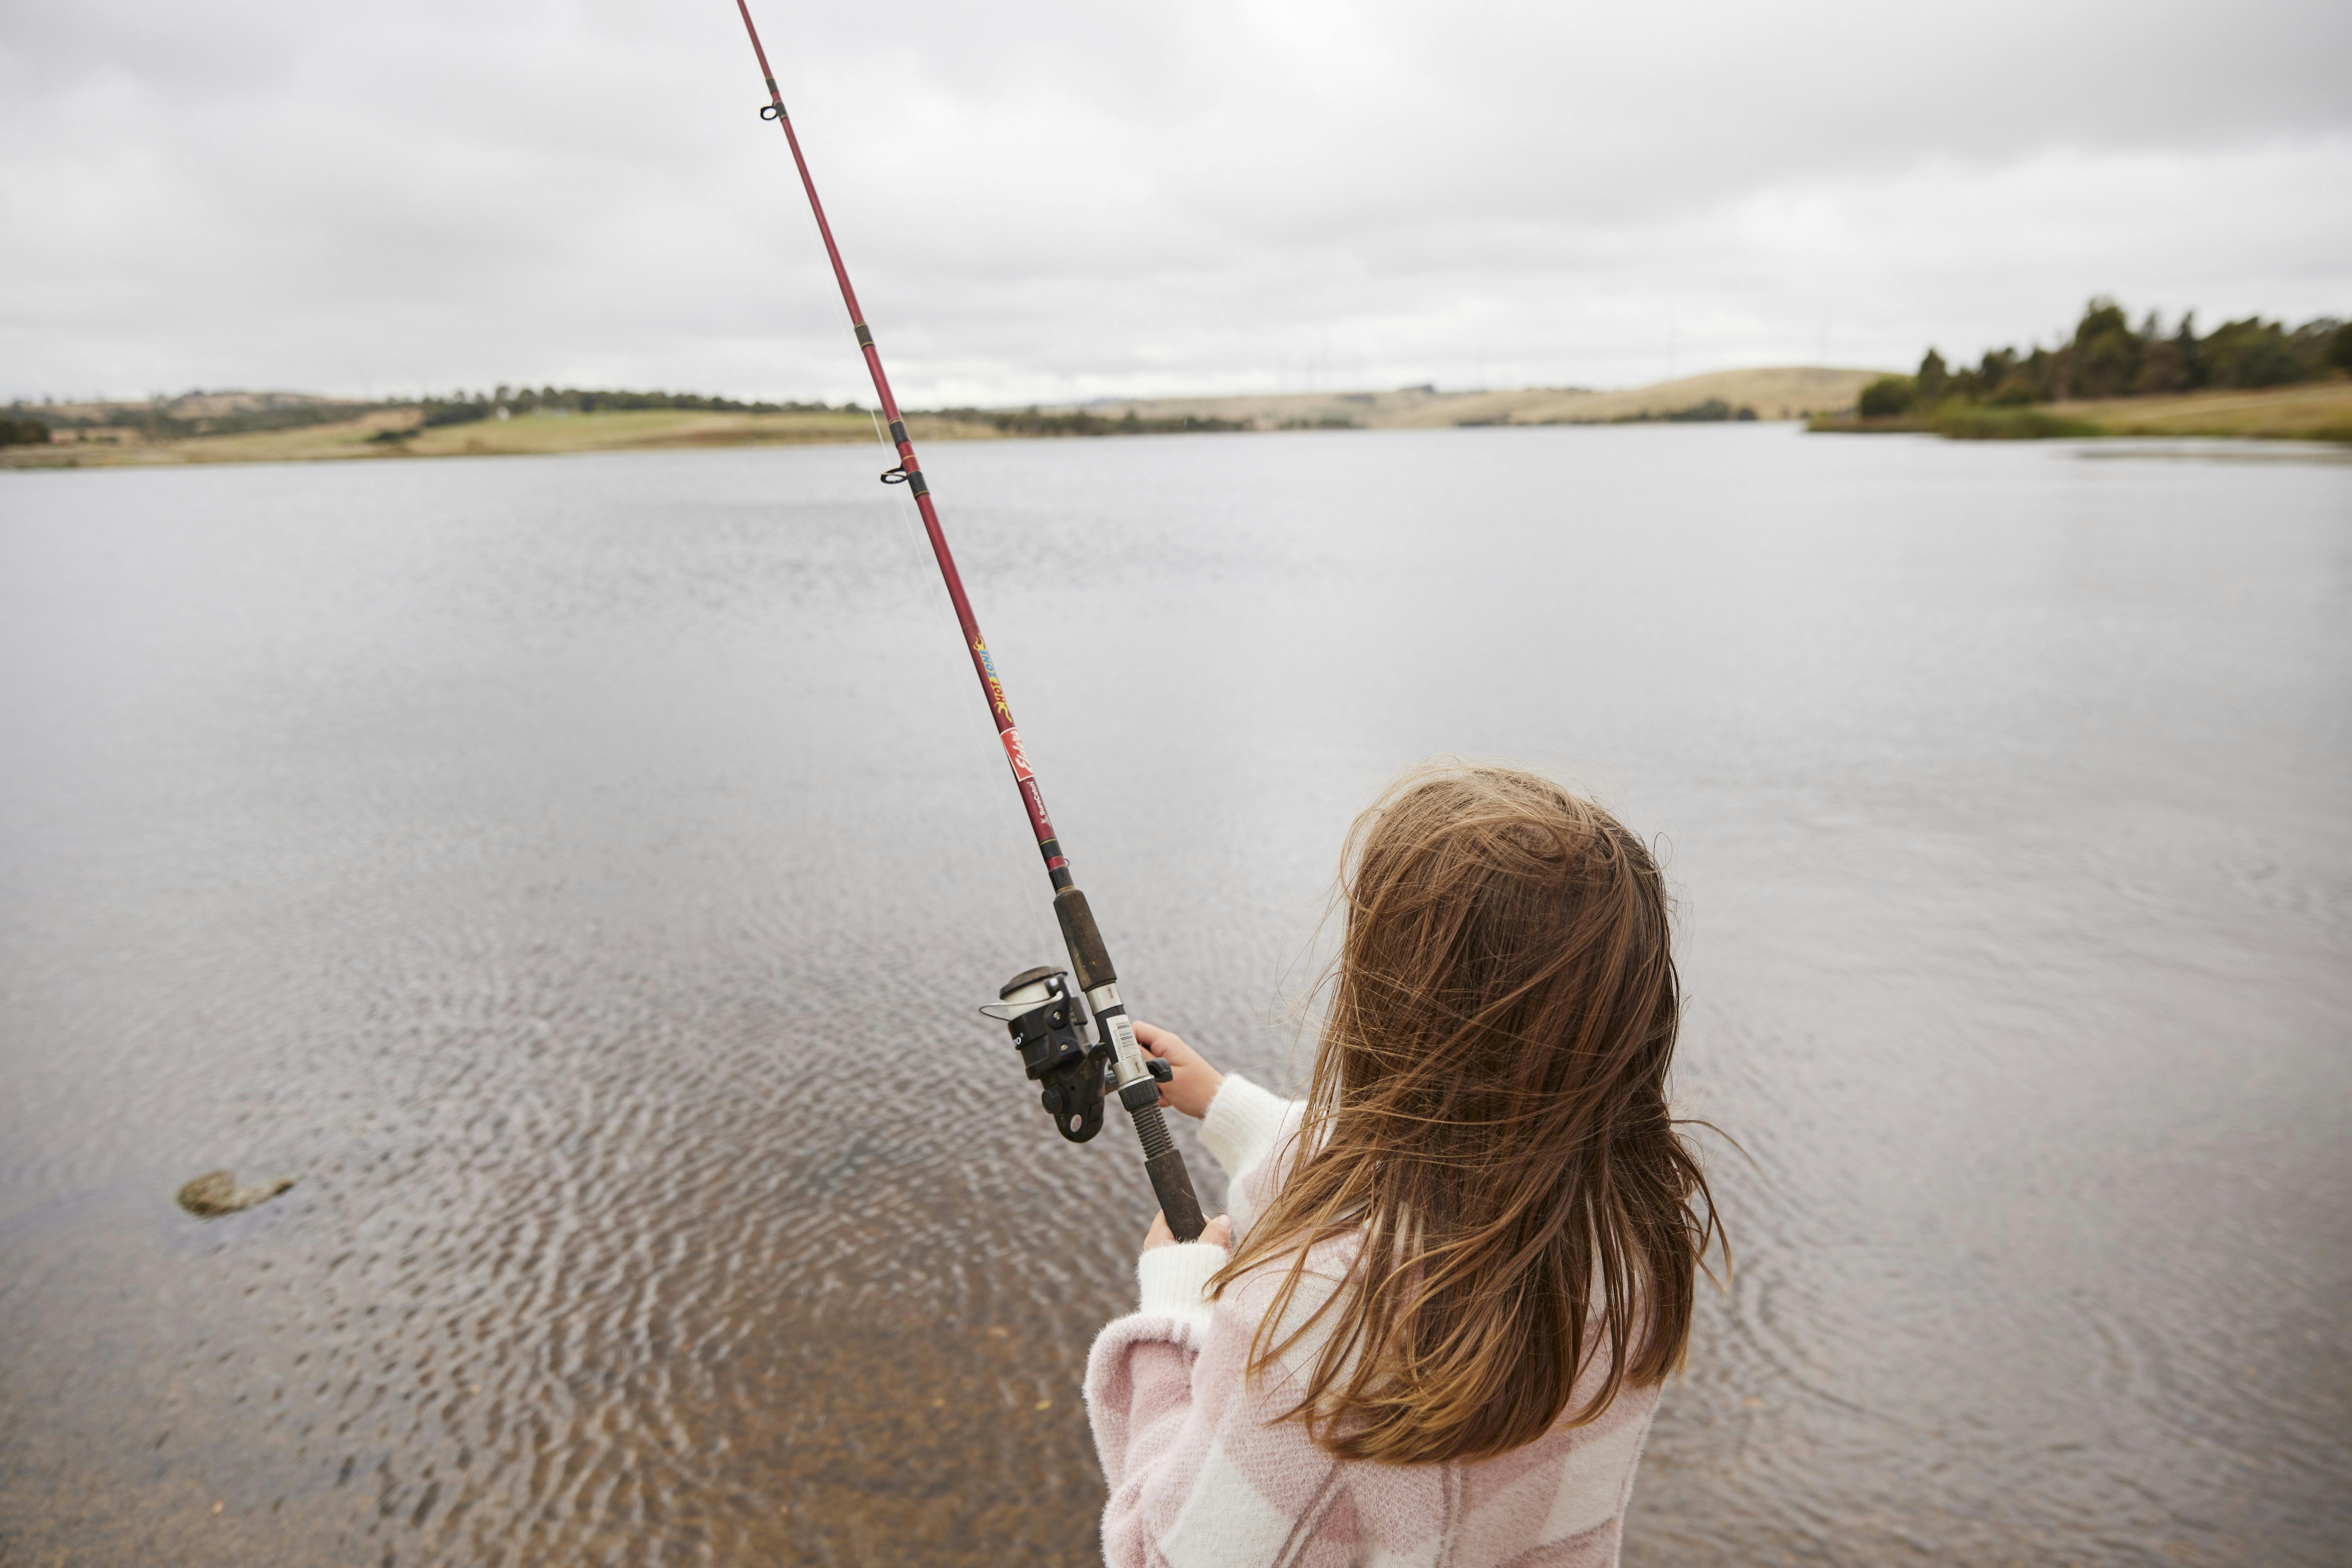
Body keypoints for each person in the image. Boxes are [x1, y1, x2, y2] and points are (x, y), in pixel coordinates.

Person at [1086, 764, 1721, 1567]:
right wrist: (1226, 1107)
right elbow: (1440, 1176)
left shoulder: (1314, 1320)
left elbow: (1161, 1555)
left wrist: (1173, 1319)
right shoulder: (1632, 1238)